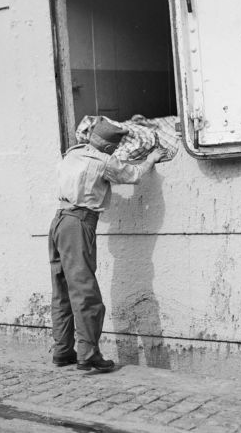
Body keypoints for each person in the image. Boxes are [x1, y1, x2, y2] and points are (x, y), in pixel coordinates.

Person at [48, 118, 167, 372]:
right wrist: (152, 158)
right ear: (111, 148)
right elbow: (133, 175)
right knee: (85, 292)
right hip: (79, 224)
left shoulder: (73, 154)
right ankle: (88, 355)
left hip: (58, 222)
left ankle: (62, 351)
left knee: (62, 291)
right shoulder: (104, 162)